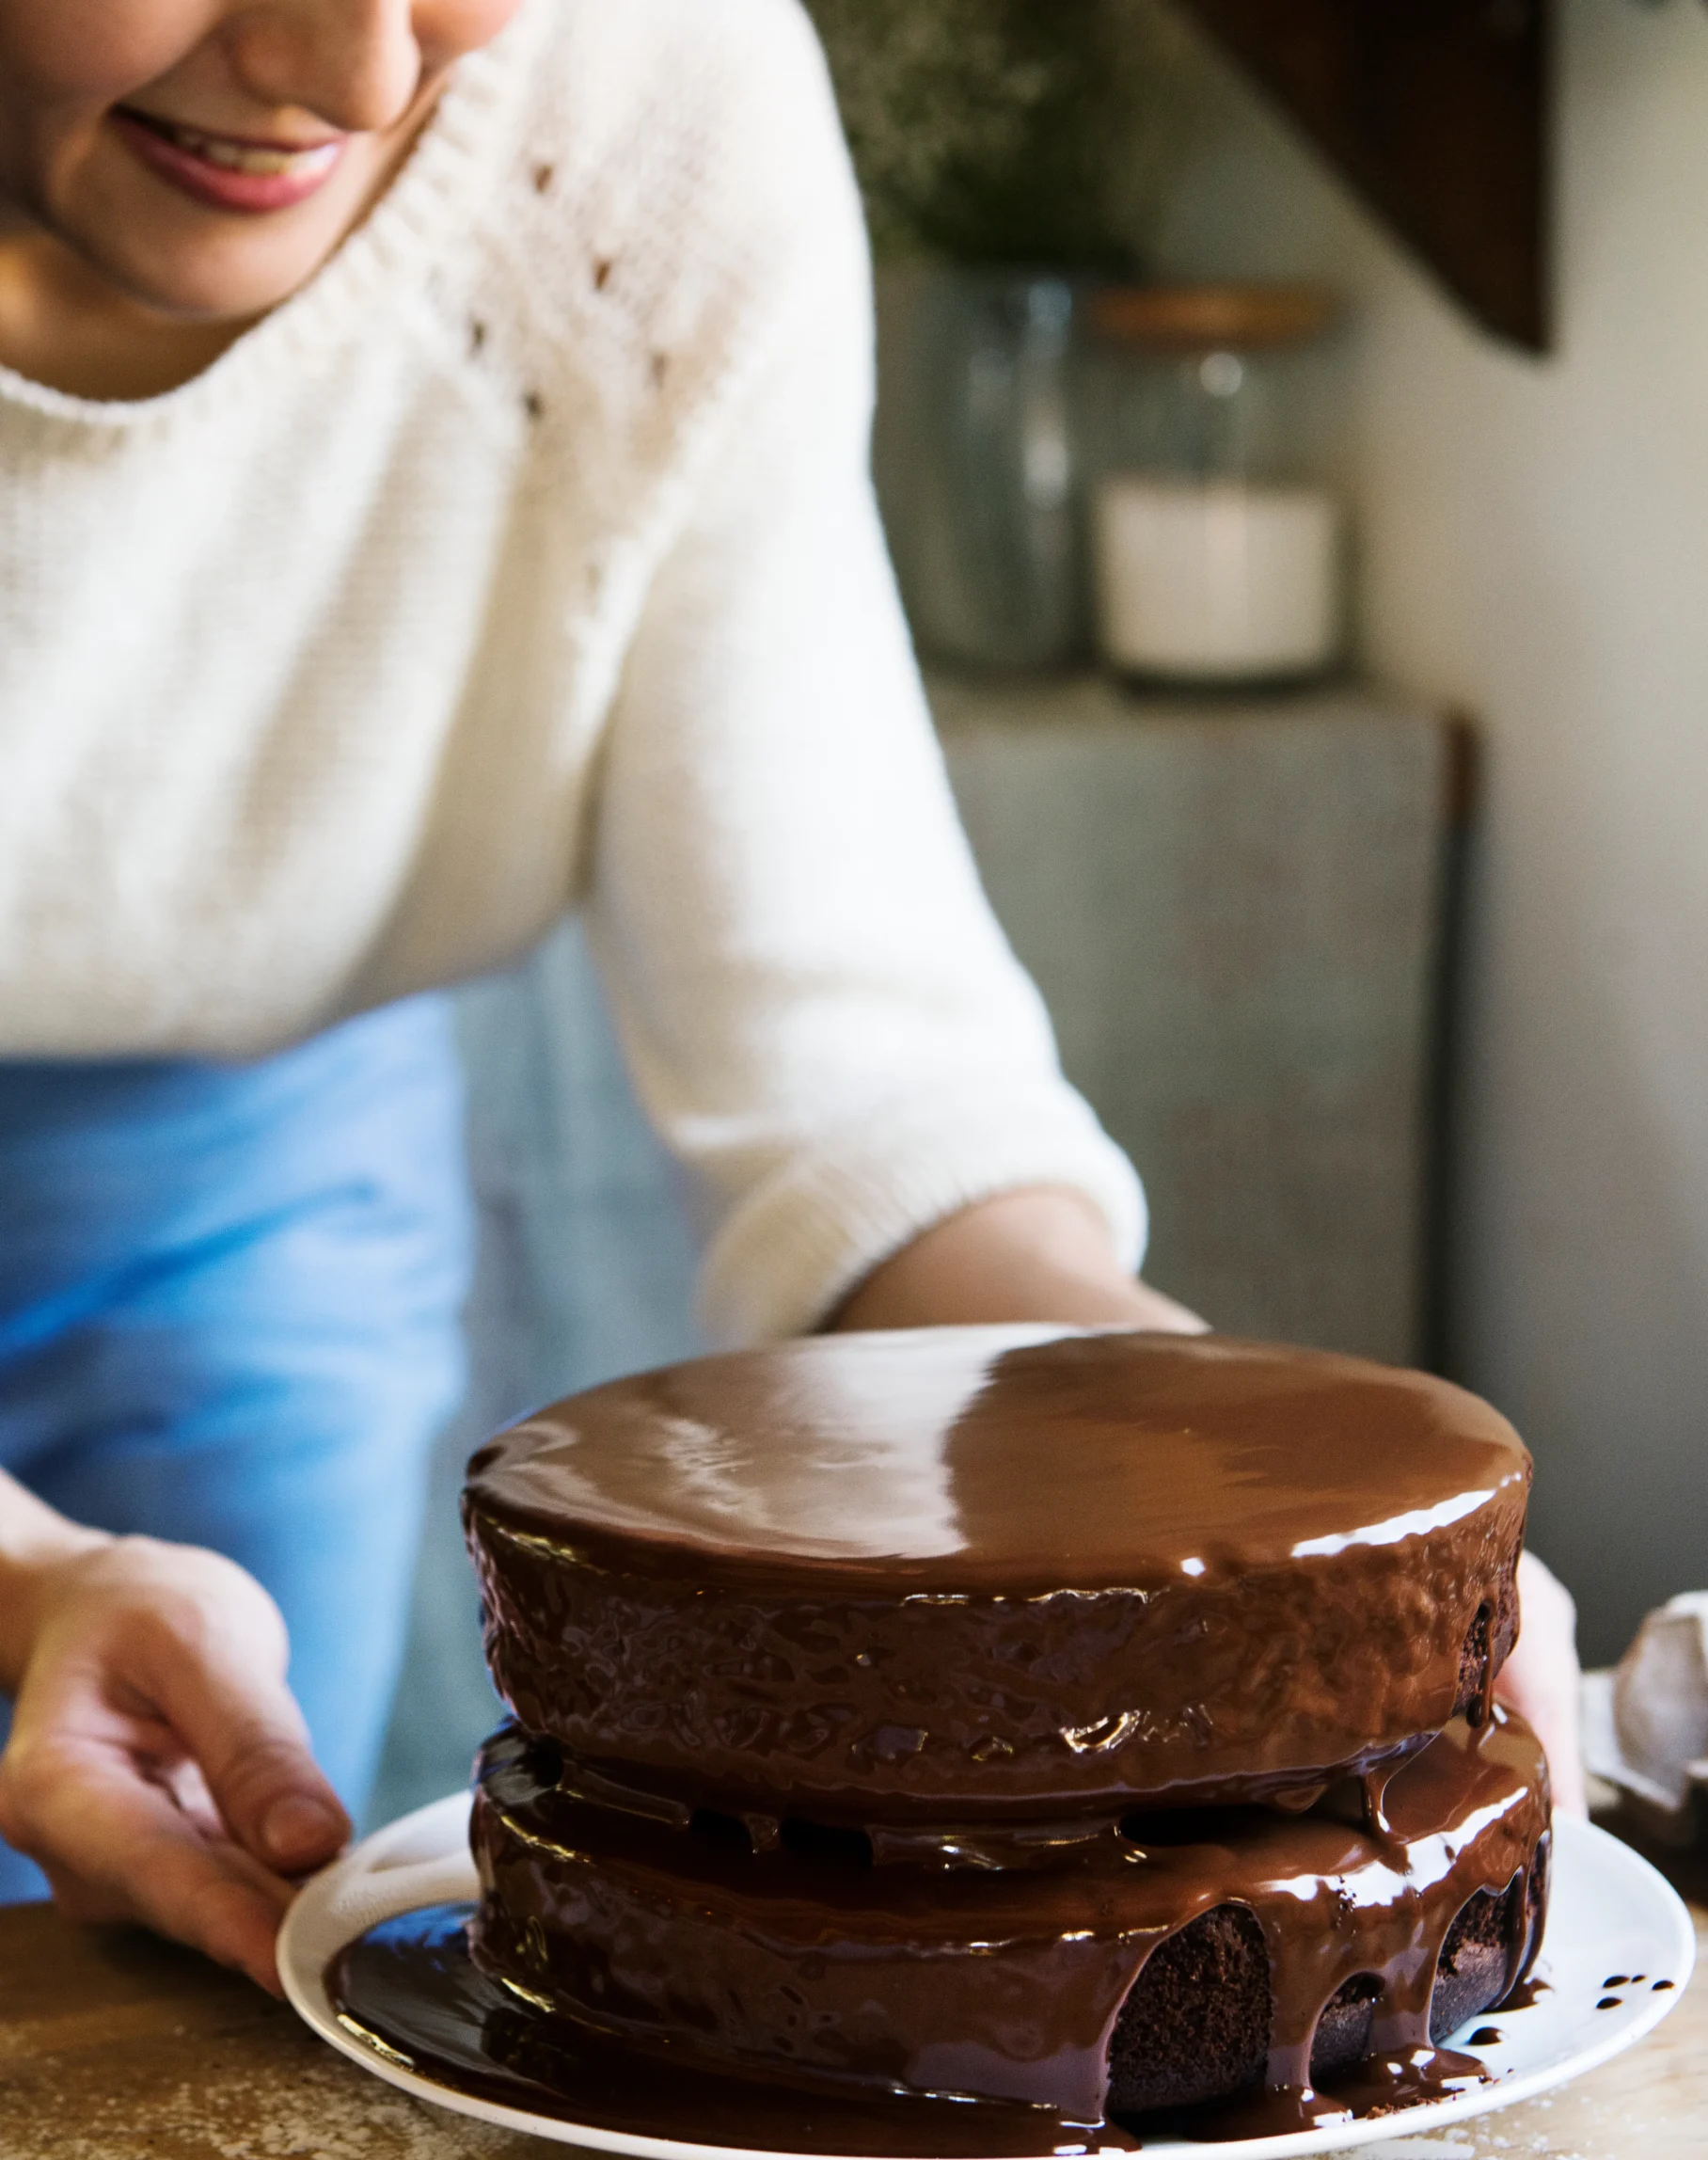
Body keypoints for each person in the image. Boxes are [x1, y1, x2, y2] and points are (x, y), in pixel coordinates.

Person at [0, 0, 1583, 1998]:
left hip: (233, 1169)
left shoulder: (654, 107)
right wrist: (33, 1576)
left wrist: (1245, 1507)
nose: (352, 73)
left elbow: (856, 1090)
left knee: (138, 2031)